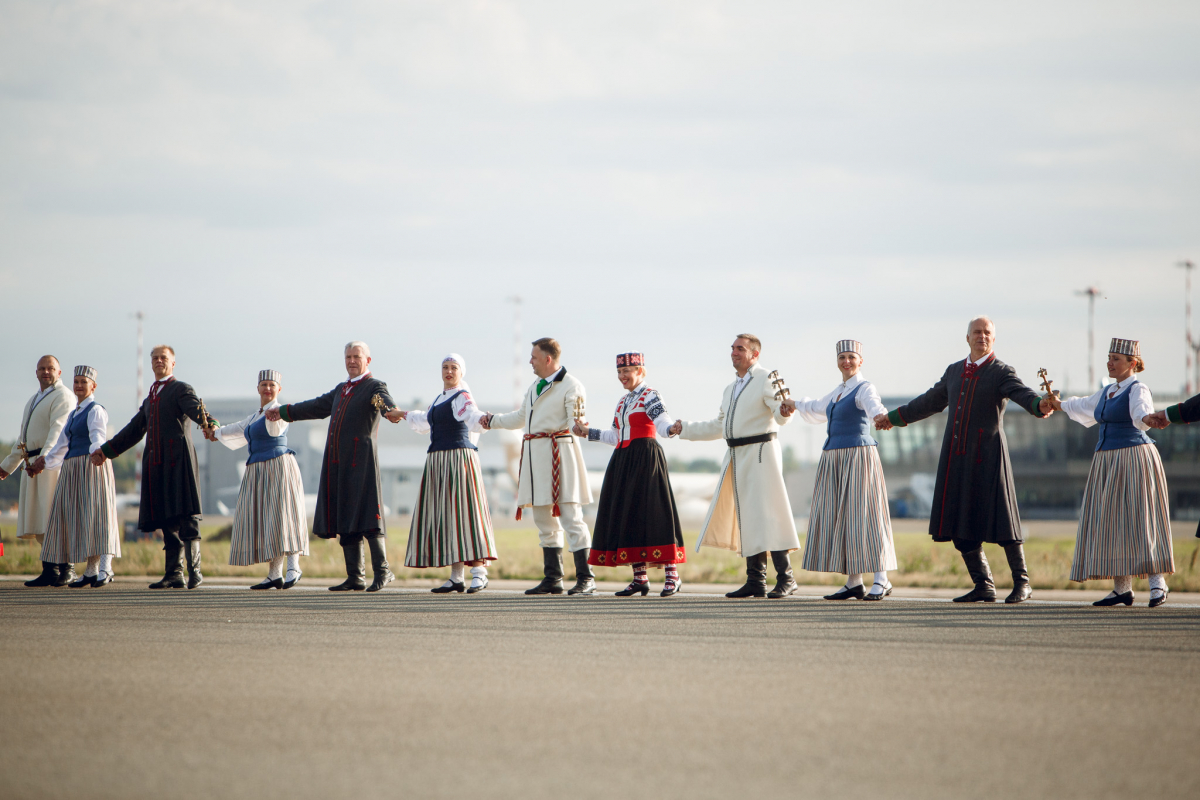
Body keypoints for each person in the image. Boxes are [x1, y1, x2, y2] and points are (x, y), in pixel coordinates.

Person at [874, 316, 1052, 604]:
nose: (982, 336)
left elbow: (1023, 394)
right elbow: (930, 401)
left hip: (989, 457)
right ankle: (983, 585)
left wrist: (1039, 405)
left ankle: (1023, 583)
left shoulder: (1001, 371)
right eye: (977, 332)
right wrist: (894, 418)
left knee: (1004, 522)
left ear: (993, 339)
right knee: (958, 523)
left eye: (987, 333)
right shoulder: (955, 371)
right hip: (956, 458)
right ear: (967, 338)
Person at [668, 334, 801, 598]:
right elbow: (719, 425)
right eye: (732, 349)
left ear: (755, 354)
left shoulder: (766, 378)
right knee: (749, 518)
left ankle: (786, 578)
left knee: (770, 515)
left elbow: (780, 413)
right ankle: (756, 581)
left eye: (740, 349)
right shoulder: (730, 389)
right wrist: (686, 428)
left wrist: (785, 413)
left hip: (762, 453)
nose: (734, 353)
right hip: (738, 456)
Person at [266, 342, 402, 592]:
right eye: (348, 357)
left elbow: (384, 402)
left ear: (367, 360)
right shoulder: (342, 389)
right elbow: (316, 406)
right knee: (346, 517)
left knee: (368, 517)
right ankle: (355, 577)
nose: (351, 361)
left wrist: (391, 411)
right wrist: (283, 411)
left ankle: (383, 571)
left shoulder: (373, 386)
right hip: (338, 463)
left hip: (361, 462)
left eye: (356, 356)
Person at [1050, 340, 1174, 607]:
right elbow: (1082, 405)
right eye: (1109, 357)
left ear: (1132, 363)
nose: (1110, 362)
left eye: (1116, 358)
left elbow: (1140, 414)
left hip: (1134, 457)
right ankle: (1122, 589)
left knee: (1141, 519)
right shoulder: (1107, 391)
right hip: (1106, 460)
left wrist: (1148, 419)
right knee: (1112, 522)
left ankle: (1157, 583)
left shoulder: (1138, 389)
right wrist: (1057, 404)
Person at [95, 345, 217, 589]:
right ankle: (174, 574)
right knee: (166, 520)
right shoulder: (150, 397)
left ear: (173, 363)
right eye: (155, 358)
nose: (159, 361)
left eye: (164, 358)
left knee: (186, 517)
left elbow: (196, 410)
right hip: (157, 463)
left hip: (179, 461)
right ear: (151, 363)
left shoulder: (181, 388)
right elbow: (135, 429)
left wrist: (209, 423)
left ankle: (195, 572)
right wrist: (107, 451)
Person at [481, 337, 595, 595]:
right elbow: (521, 417)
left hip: (560, 455)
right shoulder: (535, 386)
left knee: (571, 518)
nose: (530, 362)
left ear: (548, 359)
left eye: (533, 357)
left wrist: (582, 425)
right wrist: (492, 421)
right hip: (536, 457)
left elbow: (576, 421)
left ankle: (586, 578)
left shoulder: (572, 386)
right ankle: (553, 578)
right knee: (544, 518)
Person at [574, 352, 686, 597]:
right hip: (623, 460)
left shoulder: (650, 395)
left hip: (645, 458)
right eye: (619, 372)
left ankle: (672, 575)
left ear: (641, 372)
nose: (622, 376)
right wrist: (586, 432)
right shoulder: (623, 401)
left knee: (656, 513)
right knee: (629, 514)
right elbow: (614, 436)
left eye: (627, 372)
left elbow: (662, 422)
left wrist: (672, 429)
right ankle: (640, 578)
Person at [793, 340, 897, 600]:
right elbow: (816, 407)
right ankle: (854, 581)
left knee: (866, 515)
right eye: (842, 357)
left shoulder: (864, 388)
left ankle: (882, 579)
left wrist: (881, 416)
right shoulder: (838, 392)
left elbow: (874, 406)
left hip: (858, 457)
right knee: (844, 519)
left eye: (851, 357)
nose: (846, 361)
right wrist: (793, 404)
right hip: (834, 458)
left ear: (860, 361)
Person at [400, 354, 497, 594]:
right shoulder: (440, 399)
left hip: (458, 459)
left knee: (466, 513)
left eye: (454, 367)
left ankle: (479, 574)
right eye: (445, 367)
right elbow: (425, 420)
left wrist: (483, 420)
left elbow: (471, 415)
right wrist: (401, 414)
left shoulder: (462, 396)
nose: (449, 371)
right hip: (439, 460)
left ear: (461, 372)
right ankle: (456, 577)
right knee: (448, 516)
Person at [209, 370, 309, 590]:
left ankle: (294, 567)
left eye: (272, 385)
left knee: (284, 515)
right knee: (268, 520)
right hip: (258, 468)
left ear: (278, 389)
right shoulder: (256, 415)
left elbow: (275, 429)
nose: (268, 388)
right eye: (264, 384)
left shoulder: (277, 412)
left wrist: (277, 414)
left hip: (278, 465)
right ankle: (274, 574)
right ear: (258, 389)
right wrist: (215, 431)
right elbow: (236, 429)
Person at [27, 366, 120, 587]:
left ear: (93, 386)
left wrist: (98, 454)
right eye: (76, 382)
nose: (78, 386)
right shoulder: (73, 414)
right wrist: (43, 463)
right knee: (80, 518)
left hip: (90, 465)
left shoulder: (96, 410)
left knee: (96, 517)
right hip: (72, 468)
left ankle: (102, 568)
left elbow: (97, 435)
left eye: (83, 382)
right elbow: (61, 446)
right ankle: (90, 570)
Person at [2, 355, 76, 587]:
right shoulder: (34, 399)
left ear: (59, 372)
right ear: (36, 373)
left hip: (50, 464)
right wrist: (6, 466)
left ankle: (68, 568)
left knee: (55, 517)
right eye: (42, 368)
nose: (46, 372)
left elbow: (58, 431)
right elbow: (22, 439)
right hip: (30, 463)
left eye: (50, 368)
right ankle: (50, 569)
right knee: (39, 518)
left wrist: (44, 459)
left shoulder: (63, 396)